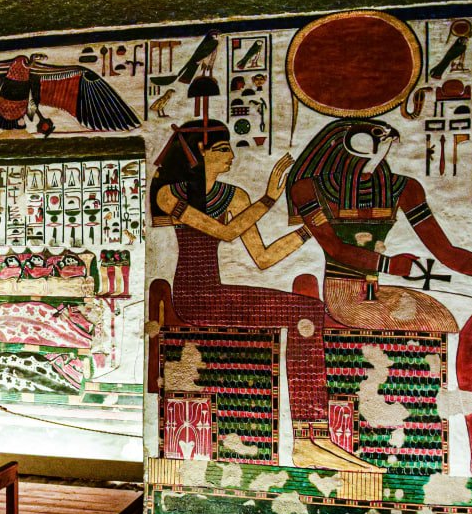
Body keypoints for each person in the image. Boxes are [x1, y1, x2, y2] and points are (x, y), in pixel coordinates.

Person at [287, 118, 472, 479]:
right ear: (350, 142)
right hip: (345, 298)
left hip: (378, 293)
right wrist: (388, 264)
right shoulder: (308, 188)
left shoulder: (403, 188)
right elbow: (334, 248)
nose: (385, 147)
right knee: (459, 319)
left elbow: (445, 251)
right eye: (377, 138)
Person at [152, 119, 369, 469]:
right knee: (304, 312)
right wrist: (269, 197)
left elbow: (264, 257)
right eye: (223, 150)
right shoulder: (170, 194)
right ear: (200, 153)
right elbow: (223, 232)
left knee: (309, 310)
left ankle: (313, 437)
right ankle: (309, 441)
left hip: (218, 293)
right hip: (195, 297)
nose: (232, 157)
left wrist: (311, 231)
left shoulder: (235, 197)